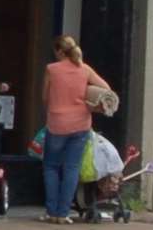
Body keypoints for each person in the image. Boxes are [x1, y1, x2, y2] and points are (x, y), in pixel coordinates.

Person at [41, 34, 109, 225]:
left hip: (57, 124)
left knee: (51, 167)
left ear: (59, 51)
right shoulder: (85, 69)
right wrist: (90, 104)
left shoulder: (51, 69)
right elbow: (105, 88)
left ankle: (51, 212)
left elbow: (45, 98)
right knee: (72, 168)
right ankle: (63, 213)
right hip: (81, 125)